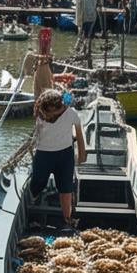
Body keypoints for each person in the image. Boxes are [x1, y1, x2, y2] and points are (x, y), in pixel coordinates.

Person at [29, 90, 86, 230]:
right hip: (43, 153)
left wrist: (82, 154)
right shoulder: (41, 113)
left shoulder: (71, 113)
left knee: (65, 188)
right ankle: (32, 209)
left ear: (60, 107)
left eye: (55, 112)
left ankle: (67, 219)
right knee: (38, 182)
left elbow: (79, 135)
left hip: (64, 155)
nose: (52, 115)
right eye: (49, 112)